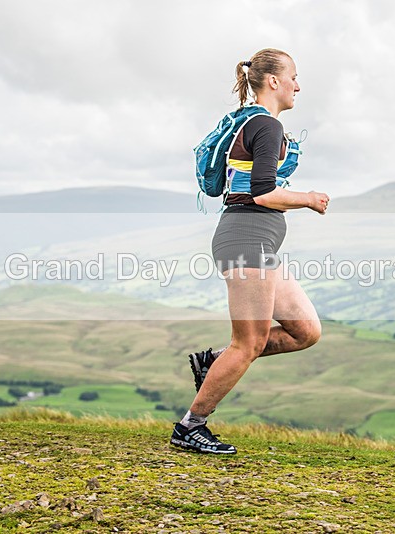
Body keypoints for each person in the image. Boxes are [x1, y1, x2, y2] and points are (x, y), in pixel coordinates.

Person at [170, 48, 330, 454]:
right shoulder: (266, 126)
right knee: (250, 342)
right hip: (246, 240)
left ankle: (213, 362)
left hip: (258, 241)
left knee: (305, 330)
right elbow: (263, 193)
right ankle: (191, 426)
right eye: (293, 76)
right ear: (273, 81)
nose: (298, 84)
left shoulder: (256, 123)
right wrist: (308, 198)